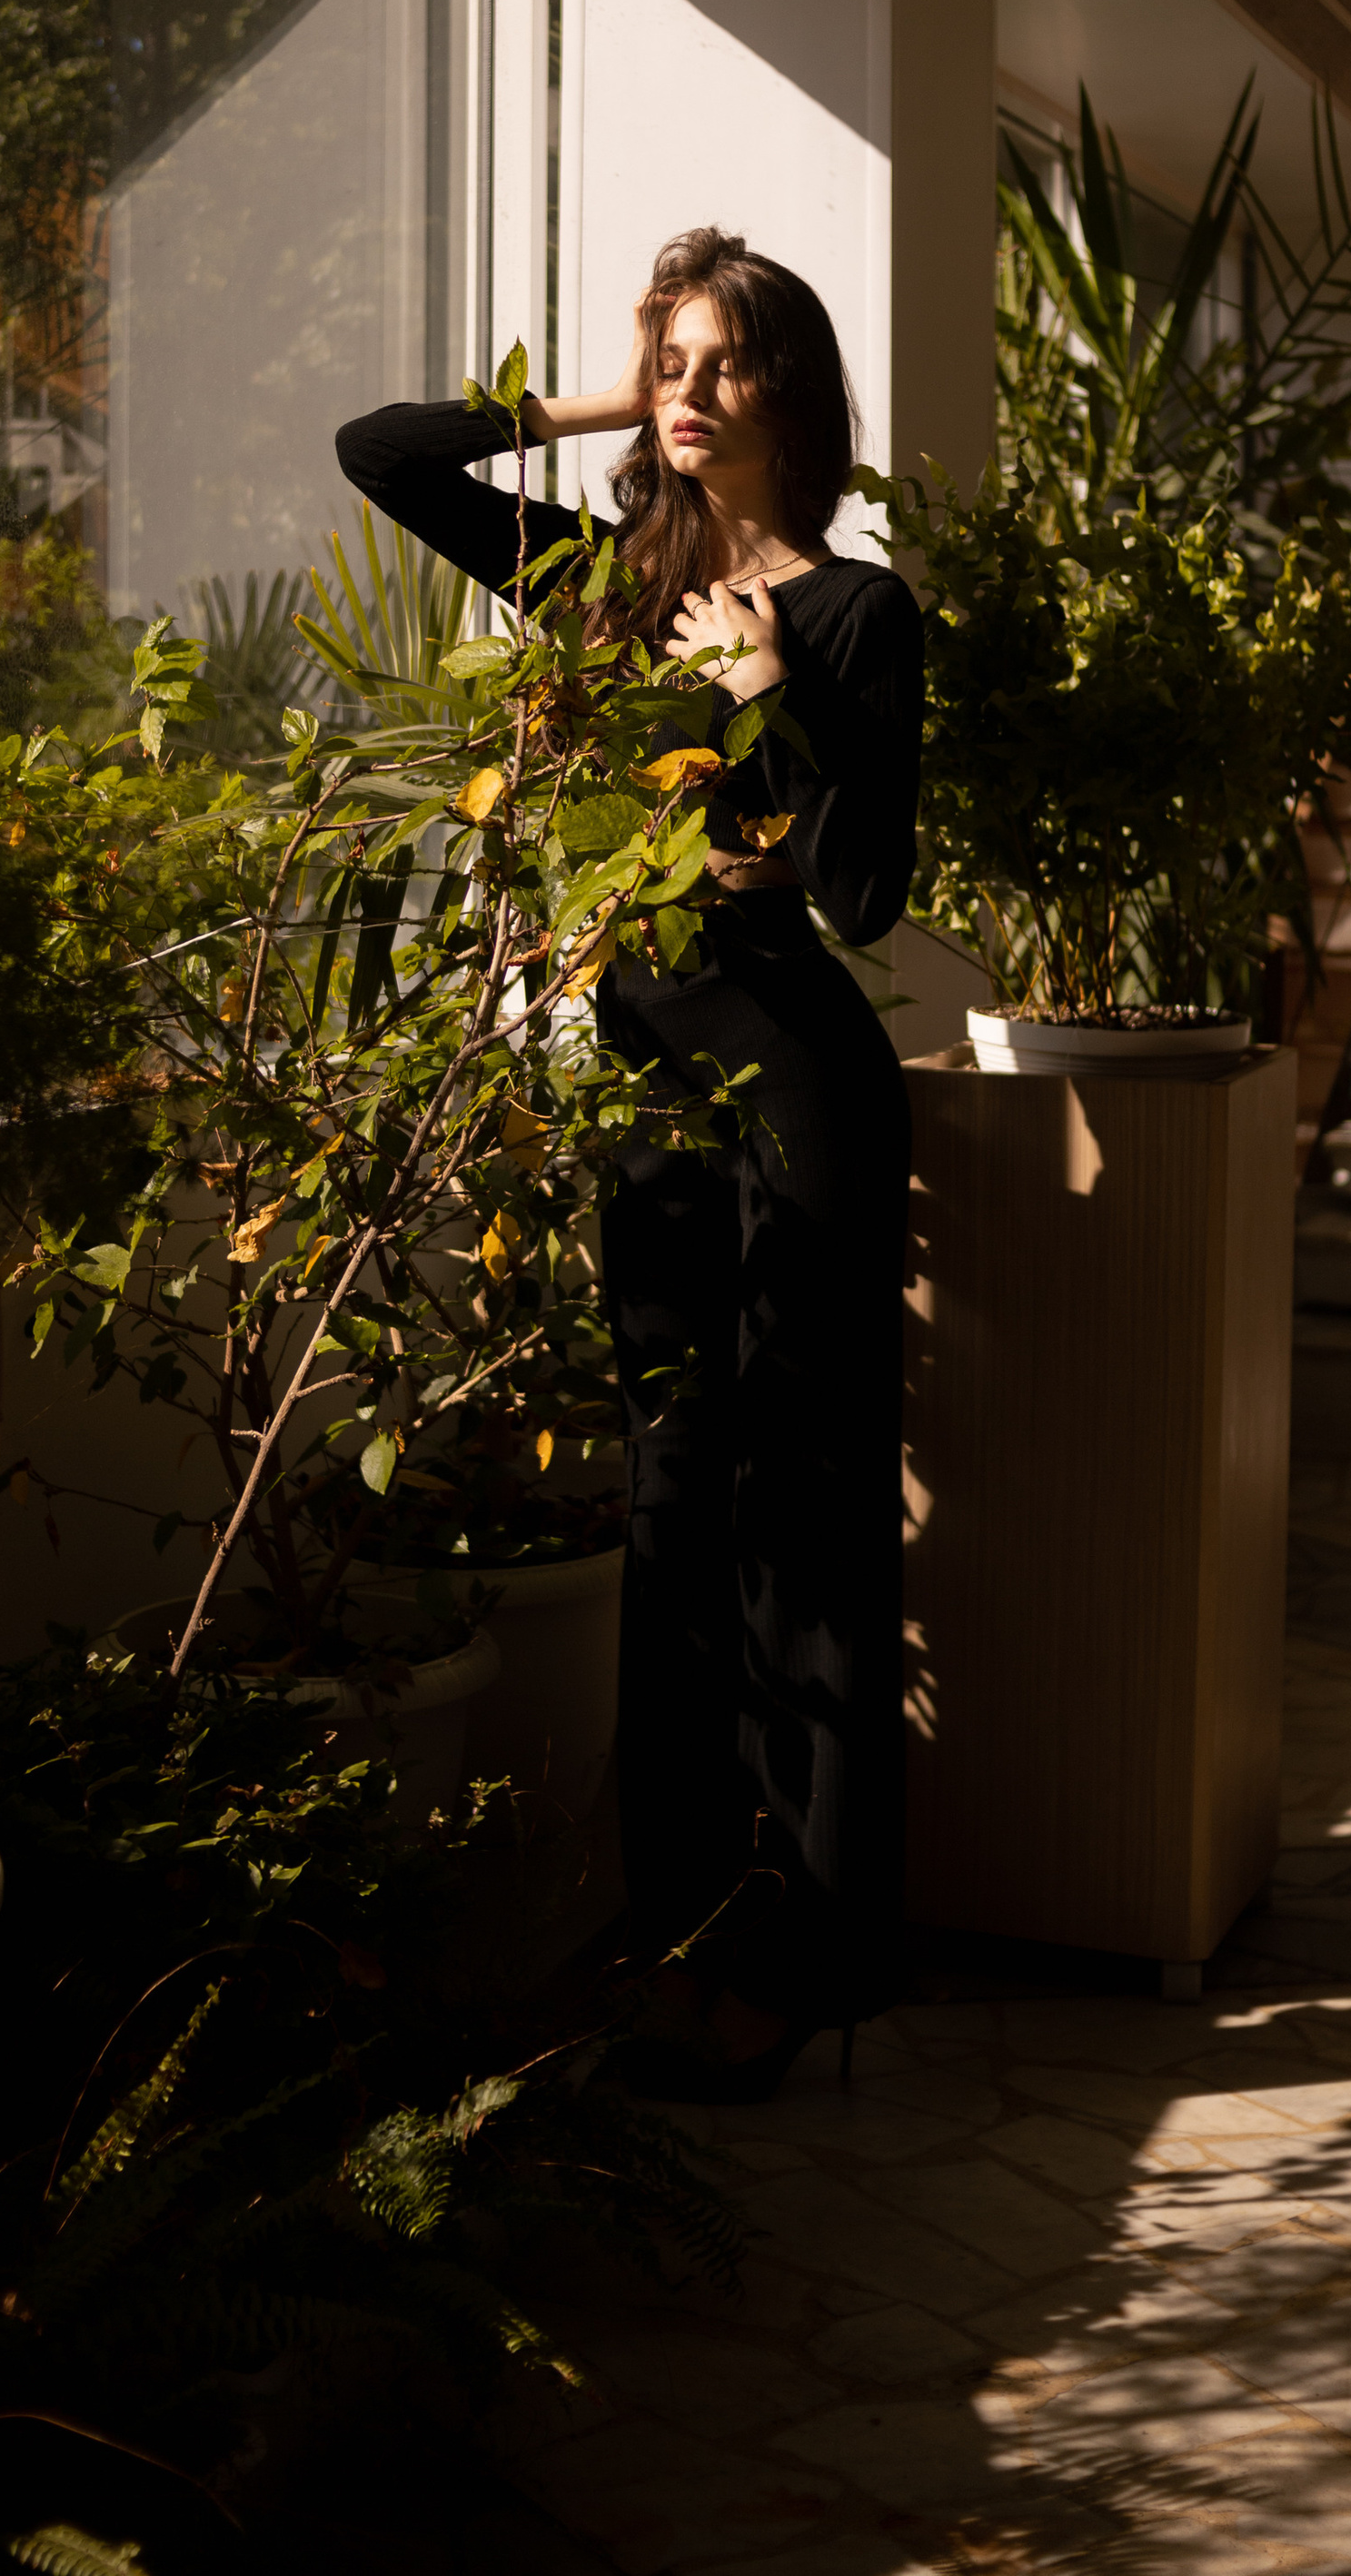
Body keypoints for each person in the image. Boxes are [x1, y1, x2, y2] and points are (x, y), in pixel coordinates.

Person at [336, 226, 922, 2098]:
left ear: (791, 393)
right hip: (645, 1086)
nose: (690, 391)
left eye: (724, 364)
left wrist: (769, 698)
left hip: (801, 1083)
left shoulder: (855, 613)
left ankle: (812, 1954)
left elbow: (864, 894)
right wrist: (608, 395)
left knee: (805, 1508)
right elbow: (382, 451)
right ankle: (672, 1922)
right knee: (670, 1501)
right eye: (673, 361)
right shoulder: (595, 585)